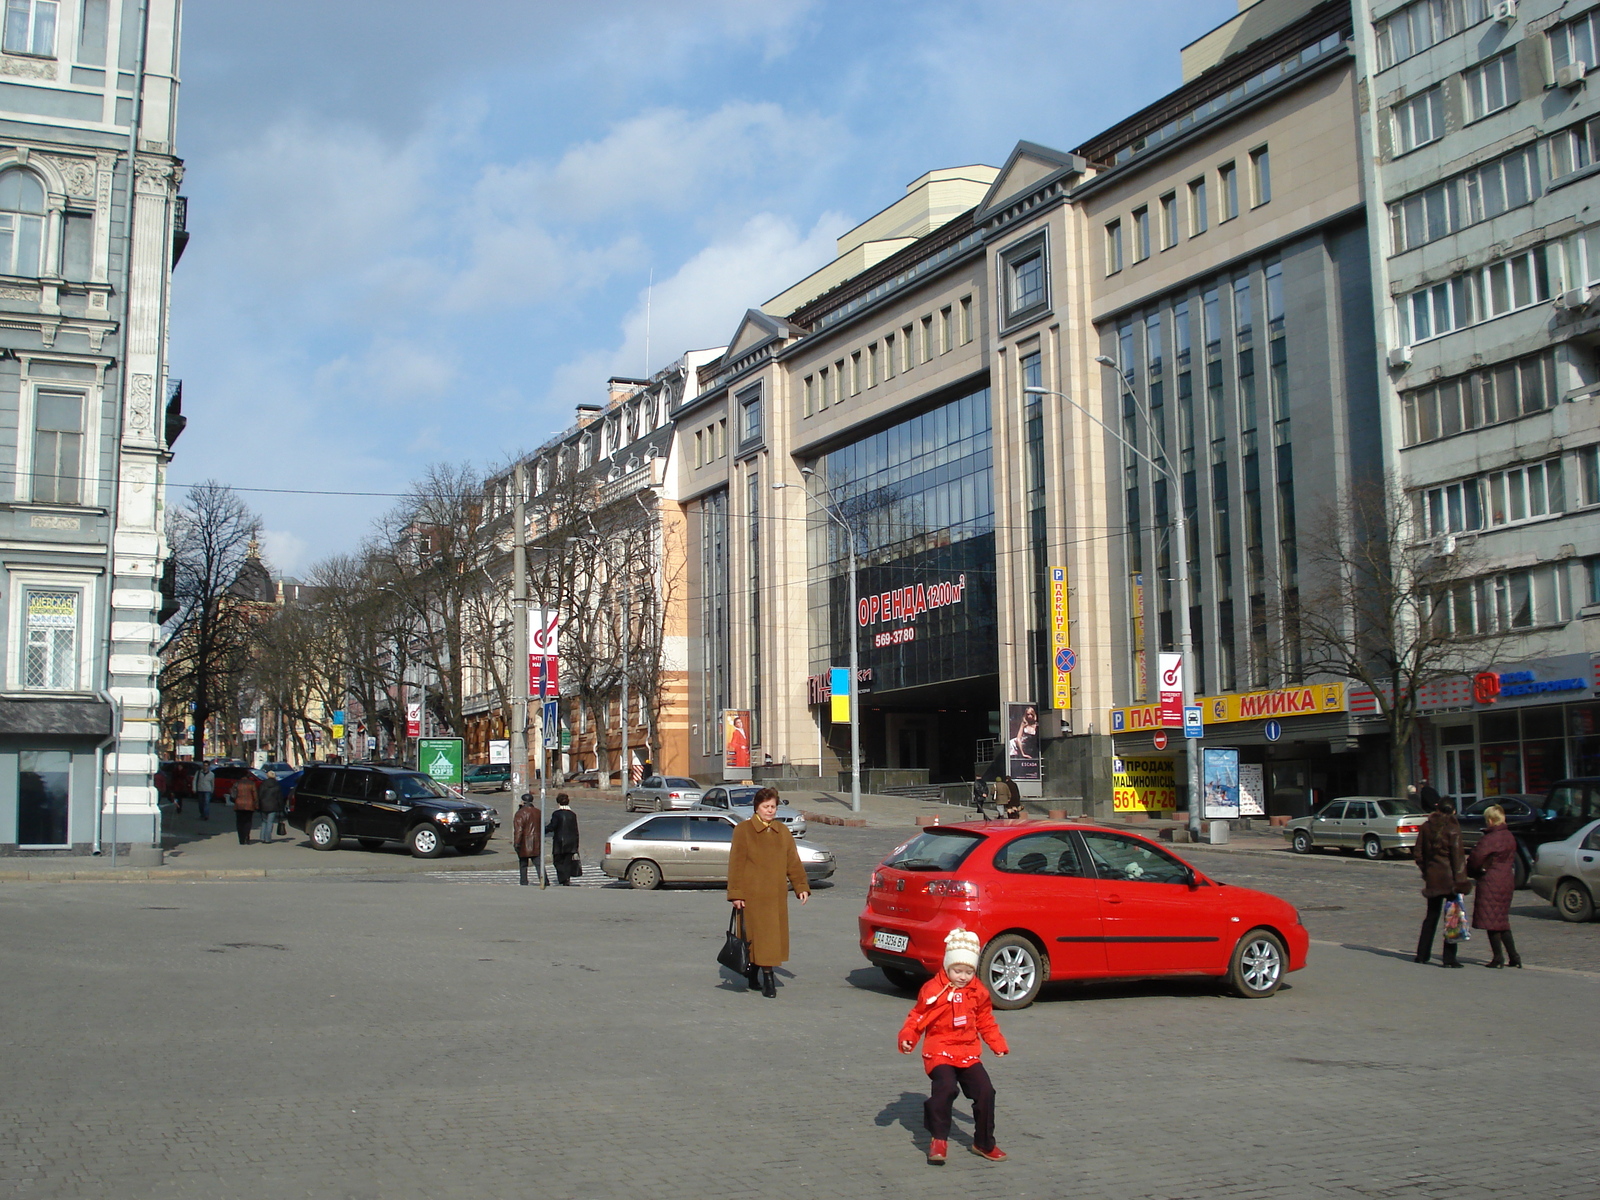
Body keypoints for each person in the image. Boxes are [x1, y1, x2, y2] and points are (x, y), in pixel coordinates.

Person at [898, 928, 1009, 1165]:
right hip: (939, 1049)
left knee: (985, 1092)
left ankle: (984, 1142)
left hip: (967, 1051)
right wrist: (908, 1036)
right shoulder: (933, 989)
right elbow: (917, 1016)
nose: (963, 976)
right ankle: (939, 1138)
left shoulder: (978, 991)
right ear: (947, 967)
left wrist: (996, 1043)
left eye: (969, 971)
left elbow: (985, 1020)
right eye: (958, 970)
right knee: (946, 1088)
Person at [727, 786, 809, 998]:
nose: (770, 811)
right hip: (751, 897)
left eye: (773, 806)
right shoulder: (743, 830)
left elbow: (793, 861)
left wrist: (800, 886)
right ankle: (763, 977)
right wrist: (736, 893)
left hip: (775, 897)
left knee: (768, 939)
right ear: (757, 807)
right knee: (755, 938)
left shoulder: (782, 832)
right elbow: (736, 863)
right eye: (766, 806)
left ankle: (760, 975)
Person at [1413, 797, 1471, 967]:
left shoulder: (1426, 827)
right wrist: (1461, 883)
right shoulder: (1453, 829)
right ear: (1453, 811)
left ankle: (1422, 954)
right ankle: (1449, 958)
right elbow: (1458, 860)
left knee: (1431, 916)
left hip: (1433, 878)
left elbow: (1418, 854)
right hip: (1450, 880)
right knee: (1452, 918)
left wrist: (1427, 870)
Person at [1468, 804, 1521, 968]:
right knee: (1501, 920)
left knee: (1491, 920)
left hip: (1491, 880)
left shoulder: (1490, 839)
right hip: (1506, 879)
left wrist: (1472, 871)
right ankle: (1514, 956)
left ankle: (1498, 957)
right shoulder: (1509, 836)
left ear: (1490, 820)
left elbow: (1476, 858)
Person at [545, 792, 580, 886]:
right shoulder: (572, 814)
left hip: (559, 842)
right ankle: (566, 879)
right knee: (567, 861)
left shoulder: (556, 814)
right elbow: (575, 830)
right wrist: (576, 845)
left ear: (558, 803)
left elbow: (553, 826)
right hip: (571, 842)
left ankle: (563, 878)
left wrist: (543, 830)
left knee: (557, 861)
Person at [512, 793, 542, 886]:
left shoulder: (520, 813)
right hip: (536, 841)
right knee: (538, 863)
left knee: (523, 864)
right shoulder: (538, 812)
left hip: (524, 842)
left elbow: (518, 830)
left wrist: (516, 843)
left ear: (523, 801)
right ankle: (544, 880)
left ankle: (524, 881)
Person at [232, 771, 259, 846]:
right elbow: (255, 795)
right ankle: (247, 837)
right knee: (248, 822)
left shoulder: (237, 783)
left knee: (240, 823)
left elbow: (233, 795)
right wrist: (256, 805)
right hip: (249, 805)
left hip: (239, 805)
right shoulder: (251, 783)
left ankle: (241, 839)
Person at [255, 771, 284, 843]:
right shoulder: (277, 785)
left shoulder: (263, 784)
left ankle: (262, 838)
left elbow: (259, 795)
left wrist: (258, 804)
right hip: (273, 806)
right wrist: (281, 807)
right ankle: (268, 839)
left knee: (264, 821)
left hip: (263, 805)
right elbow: (279, 797)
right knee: (270, 822)